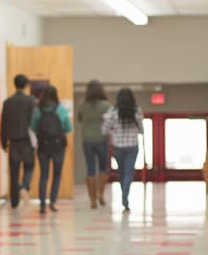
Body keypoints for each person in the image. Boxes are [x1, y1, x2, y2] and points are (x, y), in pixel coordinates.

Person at [31, 85, 72, 214]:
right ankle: (52, 202)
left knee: (44, 175)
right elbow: (68, 128)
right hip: (58, 146)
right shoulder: (61, 109)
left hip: (43, 146)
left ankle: (42, 204)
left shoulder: (38, 110)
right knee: (57, 174)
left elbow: (33, 127)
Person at [102, 87, 143, 212]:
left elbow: (104, 129)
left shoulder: (113, 111)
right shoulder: (137, 111)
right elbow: (141, 129)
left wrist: (111, 130)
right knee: (129, 173)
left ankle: (124, 196)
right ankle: (125, 197)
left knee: (122, 173)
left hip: (117, 147)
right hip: (132, 146)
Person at [0, 74, 36, 208]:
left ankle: (14, 202)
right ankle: (24, 186)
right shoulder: (31, 101)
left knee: (14, 170)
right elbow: (33, 123)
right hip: (27, 141)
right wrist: (36, 142)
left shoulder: (7, 102)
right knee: (29, 165)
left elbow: (3, 124)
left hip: (13, 141)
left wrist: (4, 143)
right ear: (26, 85)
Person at [77, 80, 111, 209]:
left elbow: (79, 119)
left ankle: (92, 200)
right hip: (102, 139)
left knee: (90, 169)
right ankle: (100, 193)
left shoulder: (83, 105)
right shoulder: (107, 105)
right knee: (104, 168)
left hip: (87, 140)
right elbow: (111, 120)